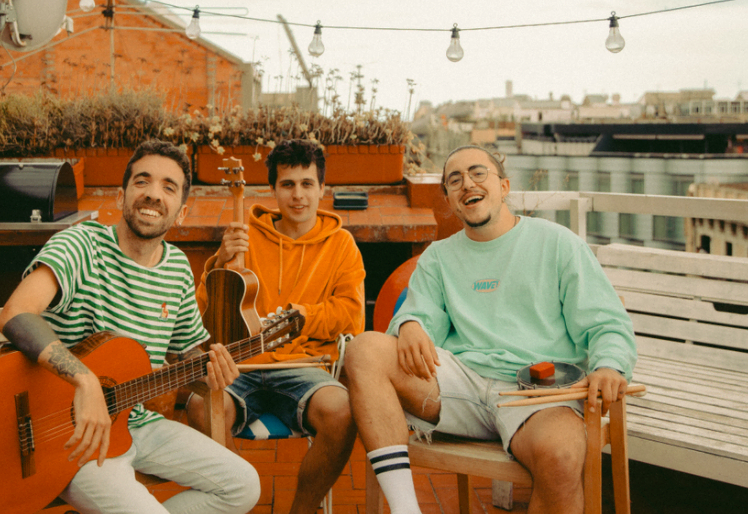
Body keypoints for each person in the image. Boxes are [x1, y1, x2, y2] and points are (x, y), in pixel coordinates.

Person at [345, 145, 637, 514]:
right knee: (364, 349)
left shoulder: (557, 243)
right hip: (460, 385)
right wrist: (410, 323)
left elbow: (606, 320)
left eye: (478, 173)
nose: (467, 184)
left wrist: (609, 365)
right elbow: (421, 312)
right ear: (449, 199)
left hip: (537, 394)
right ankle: (406, 510)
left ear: (504, 185)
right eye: (455, 180)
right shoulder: (437, 257)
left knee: (561, 458)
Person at [0, 140, 260, 514]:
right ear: (121, 196)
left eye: (169, 187)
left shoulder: (177, 269)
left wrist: (213, 364)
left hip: (136, 421)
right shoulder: (80, 244)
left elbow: (189, 351)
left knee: (243, 486)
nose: (153, 194)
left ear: (181, 212)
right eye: (142, 181)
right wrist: (85, 381)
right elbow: (15, 313)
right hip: (68, 433)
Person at [186, 139, 366, 514]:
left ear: (322, 189)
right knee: (201, 408)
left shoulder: (341, 245)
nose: (298, 195)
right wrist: (218, 261)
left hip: (305, 366)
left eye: (307, 183)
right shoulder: (245, 238)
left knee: (342, 412)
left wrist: (303, 317)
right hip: (240, 366)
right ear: (273, 189)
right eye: (287, 184)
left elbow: (352, 315)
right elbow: (201, 314)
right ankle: (239, 501)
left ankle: (302, 509)